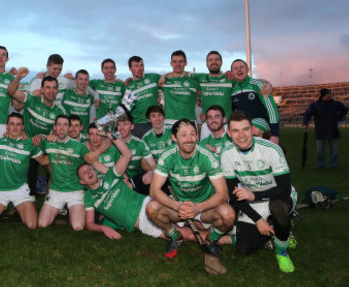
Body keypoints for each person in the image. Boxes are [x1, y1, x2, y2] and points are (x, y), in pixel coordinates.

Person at [146, 118, 235, 259]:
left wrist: (197, 208)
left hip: (204, 206)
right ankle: (175, 236)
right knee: (151, 208)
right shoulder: (167, 156)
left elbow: (223, 193)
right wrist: (177, 205)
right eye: (184, 135)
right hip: (180, 207)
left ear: (197, 135)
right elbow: (154, 190)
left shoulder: (207, 156)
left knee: (228, 215)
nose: (189, 139)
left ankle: (212, 240)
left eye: (193, 134)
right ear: (174, 138)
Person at [222, 110, 296, 273]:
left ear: (253, 130)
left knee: (278, 208)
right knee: (243, 249)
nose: (241, 135)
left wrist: (255, 195)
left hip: (279, 196)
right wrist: (257, 220)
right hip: (252, 200)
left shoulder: (271, 149)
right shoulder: (227, 155)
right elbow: (235, 196)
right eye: (235, 131)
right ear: (229, 133)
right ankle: (277, 231)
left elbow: (283, 189)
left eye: (245, 129)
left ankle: (281, 251)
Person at [78, 132, 164, 240]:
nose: (95, 138)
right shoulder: (89, 197)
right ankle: (111, 220)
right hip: (130, 215)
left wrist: (111, 133)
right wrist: (104, 228)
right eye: (91, 134)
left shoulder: (108, 168)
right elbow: (89, 224)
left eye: (98, 134)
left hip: (131, 192)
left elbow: (124, 157)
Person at [0, 113, 46, 229]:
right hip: (0, 191)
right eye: (12, 124)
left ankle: (16, 205)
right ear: (7, 125)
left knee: (32, 225)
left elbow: (44, 161)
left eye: (18, 124)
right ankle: (4, 206)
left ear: (22, 127)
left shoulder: (29, 144)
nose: (15, 127)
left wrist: (63, 154)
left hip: (20, 191)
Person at [8, 68, 66, 195]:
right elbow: (11, 91)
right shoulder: (32, 100)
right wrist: (18, 77)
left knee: (56, 172)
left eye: (54, 88)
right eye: (48, 87)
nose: (51, 91)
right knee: (28, 174)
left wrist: (43, 136)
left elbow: (59, 133)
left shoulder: (59, 111)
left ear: (57, 90)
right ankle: (29, 196)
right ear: (42, 89)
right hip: (27, 143)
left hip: (44, 144)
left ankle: (51, 201)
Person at [37, 115, 89, 230]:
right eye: (59, 125)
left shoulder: (80, 147)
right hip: (56, 191)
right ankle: (62, 209)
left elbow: (91, 164)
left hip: (75, 191)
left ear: (69, 128)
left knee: (78, 226)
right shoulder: (48, 143)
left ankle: (73, 208)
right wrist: (42, 137)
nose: (62, 128)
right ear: (55, 127)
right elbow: (32, 146)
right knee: (42, 224)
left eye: (65, 125)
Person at [231, 59, 280, 144]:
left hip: (261, 121)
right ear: (232, 72)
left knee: (253, 130)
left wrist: (275, 134)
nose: (239, 70)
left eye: (241, 67)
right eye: (235, 68)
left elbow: (271, 109)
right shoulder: (232, 89)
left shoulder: (258, 85)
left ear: (247, 69)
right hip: (244, 124)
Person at [302, 88, 349, 169]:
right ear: (323, 95)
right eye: (328, 94)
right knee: (320, 150)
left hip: (332, 129)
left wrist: (338, 117)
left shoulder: (336, 104)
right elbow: (307, 114)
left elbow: (345, 110)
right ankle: (321, 164)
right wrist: (305, 123)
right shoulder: (315, 105)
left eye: (330, 94)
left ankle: (333, 165)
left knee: (334, 149)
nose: (330, 95)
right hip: (320, 130)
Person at [116, 112, 156, 195]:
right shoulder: (111, 142)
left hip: (135, 181)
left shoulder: (140, 143)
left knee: (149, 179)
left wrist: (150, 172)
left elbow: (153, 165)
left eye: (125, 124)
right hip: (116, 181)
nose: (121, 128)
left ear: (132, 126)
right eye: (119, 124)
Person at [159, 50, 199, 125]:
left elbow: (204, 97)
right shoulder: (164, 81)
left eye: (181, 61)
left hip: (189, 122)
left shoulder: (194, 81)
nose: (177, 64)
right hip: (169, 122)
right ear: (171, 63)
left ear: (185, 63)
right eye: (175, 61)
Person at [124, 56, 161, 138]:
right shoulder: (128, 87)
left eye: (141, 65)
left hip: (154, 123)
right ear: (130, 69)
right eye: (136, 66)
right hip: (137, 126)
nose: (140, 68)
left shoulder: (153, 78)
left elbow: (170, 80)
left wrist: (165, 76)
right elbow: (126, 108)